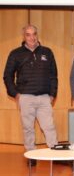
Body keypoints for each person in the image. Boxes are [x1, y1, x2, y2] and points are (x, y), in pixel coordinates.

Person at [3, 24, 58, 166]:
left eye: (34, 34)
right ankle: (31, 155)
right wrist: (15, 94)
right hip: (25, 97)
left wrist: (52, 94)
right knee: (28, 128)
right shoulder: (15, 53)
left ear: (37, 35)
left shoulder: (47, 52)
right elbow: (7, 76)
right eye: (28, 34)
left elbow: (53, 75)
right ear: (24, 36)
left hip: (44, 97)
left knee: (49, 127)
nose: (32, 37)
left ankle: (56, 154)